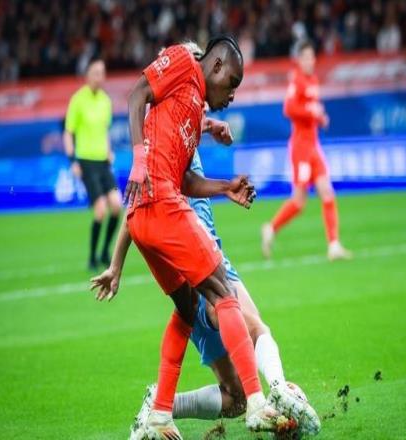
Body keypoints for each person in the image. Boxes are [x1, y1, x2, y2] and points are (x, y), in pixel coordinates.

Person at [93, 36, 298, 439]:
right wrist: (138, 160)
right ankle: (258, 403)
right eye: (232, 84)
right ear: (215, 66)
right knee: (222, 292)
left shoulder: (188, 112)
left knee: (187, 310)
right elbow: (137, 93)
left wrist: (226, 187)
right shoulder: (185, 62)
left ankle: (160, 414)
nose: (232, 96)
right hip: (161, 206)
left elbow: (185, 179)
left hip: (144, 216)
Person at [123, 146, 321, 440]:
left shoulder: (176, 139)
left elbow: (137, 208)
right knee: (255, 329)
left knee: (235, 398)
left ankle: (161, 406)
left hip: (195, 276)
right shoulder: (169, 143)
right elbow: (150, 198)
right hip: (202, 261)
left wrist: (116, 266)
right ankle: (278, 390)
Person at [261, 41, 351, 261]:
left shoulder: (313, 80)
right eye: (307, 57)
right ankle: (271, 228)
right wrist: (311, 112)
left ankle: (334, 245)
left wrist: (320, 117)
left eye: (312, 57)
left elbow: (311, 110)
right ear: (300, 60)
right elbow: (288, 108)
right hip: (300, 148)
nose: (311, 61)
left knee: (327, 192)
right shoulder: (297, 80)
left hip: (313, 146)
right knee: (299, 201)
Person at [63, 58, 121, 270]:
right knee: (100, 210)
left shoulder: (105, 101)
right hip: (86, 162)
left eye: (102, 73)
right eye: (95, 72)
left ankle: (105, 251)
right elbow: (68, 133)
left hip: (103, 162)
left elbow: (105, 131)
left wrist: (109, 150)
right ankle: (92, 257)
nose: (99, 77)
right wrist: (73, 161)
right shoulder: (78, 100)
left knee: (117, 206)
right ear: (87, 75)